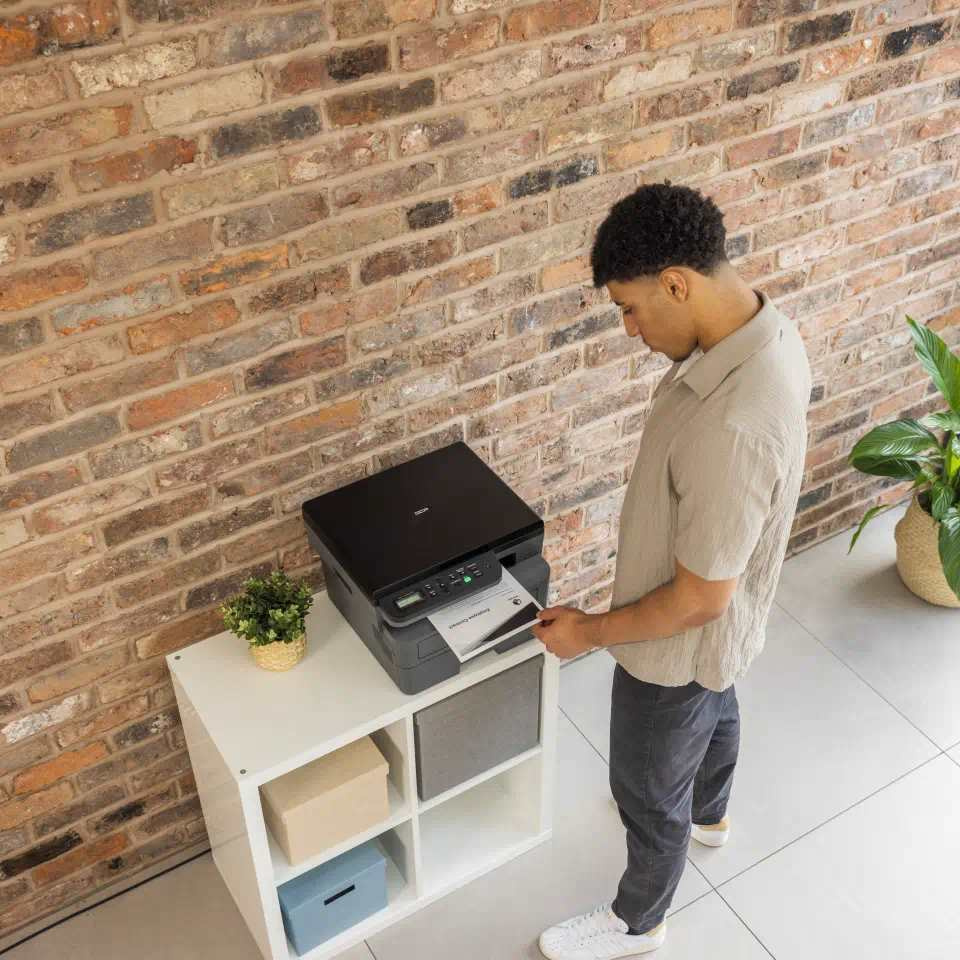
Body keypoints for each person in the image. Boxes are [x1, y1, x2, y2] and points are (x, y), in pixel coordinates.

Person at [532, 181, 812, 960]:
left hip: (674, 647)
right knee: (718, 700)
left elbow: (694, 601)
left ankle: (638, 921)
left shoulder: (735, 421)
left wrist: (589, 632)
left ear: (677, 284)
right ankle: (710, 814)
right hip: (722, 634)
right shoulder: (767, 332)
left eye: (631, 308)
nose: (629, 329)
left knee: (646, 788)